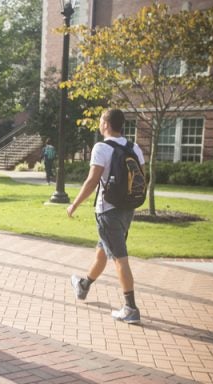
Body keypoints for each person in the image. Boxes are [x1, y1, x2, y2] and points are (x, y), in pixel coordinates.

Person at [68, 108, 145, 324]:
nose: (100, 124)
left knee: (120, 259)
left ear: (106, 125)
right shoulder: (134, 148)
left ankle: (130, 308)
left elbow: (92, 181)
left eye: (101, 120)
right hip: (127, 210)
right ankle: (84, 285)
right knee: (103, 252)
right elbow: (141, 179)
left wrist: (74, 204)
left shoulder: (101, 147)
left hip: (107, 211)